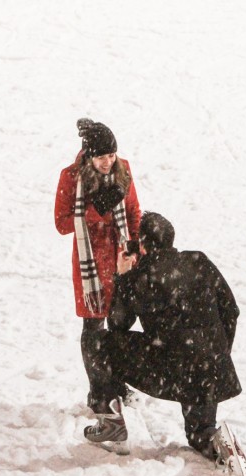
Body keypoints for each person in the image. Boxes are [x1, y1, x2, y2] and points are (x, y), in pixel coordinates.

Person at [81, 212, 246, 476]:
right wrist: (217, 352)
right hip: (210, 369)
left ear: (143, 245)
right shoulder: (199, 260)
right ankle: (218, 443)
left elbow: (117, 324)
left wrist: (122, 276)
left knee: (98, 342)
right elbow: (231, 310)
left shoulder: (143, 276)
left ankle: (110, 420)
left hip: (171, 370)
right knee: (197, 434)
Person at [54, 118, 141, 403]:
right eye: (101, 156)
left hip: (120, 258)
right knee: (93, 327)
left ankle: (116, 382)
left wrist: (135, 247)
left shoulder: (123, 169)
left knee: (119, 324)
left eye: (111, 155)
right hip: (89, 261)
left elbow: (133, 211)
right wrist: (95, 211)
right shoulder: (70, 177)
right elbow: (62, 223)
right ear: (89, 156)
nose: (107, 162)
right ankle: (99, 391)